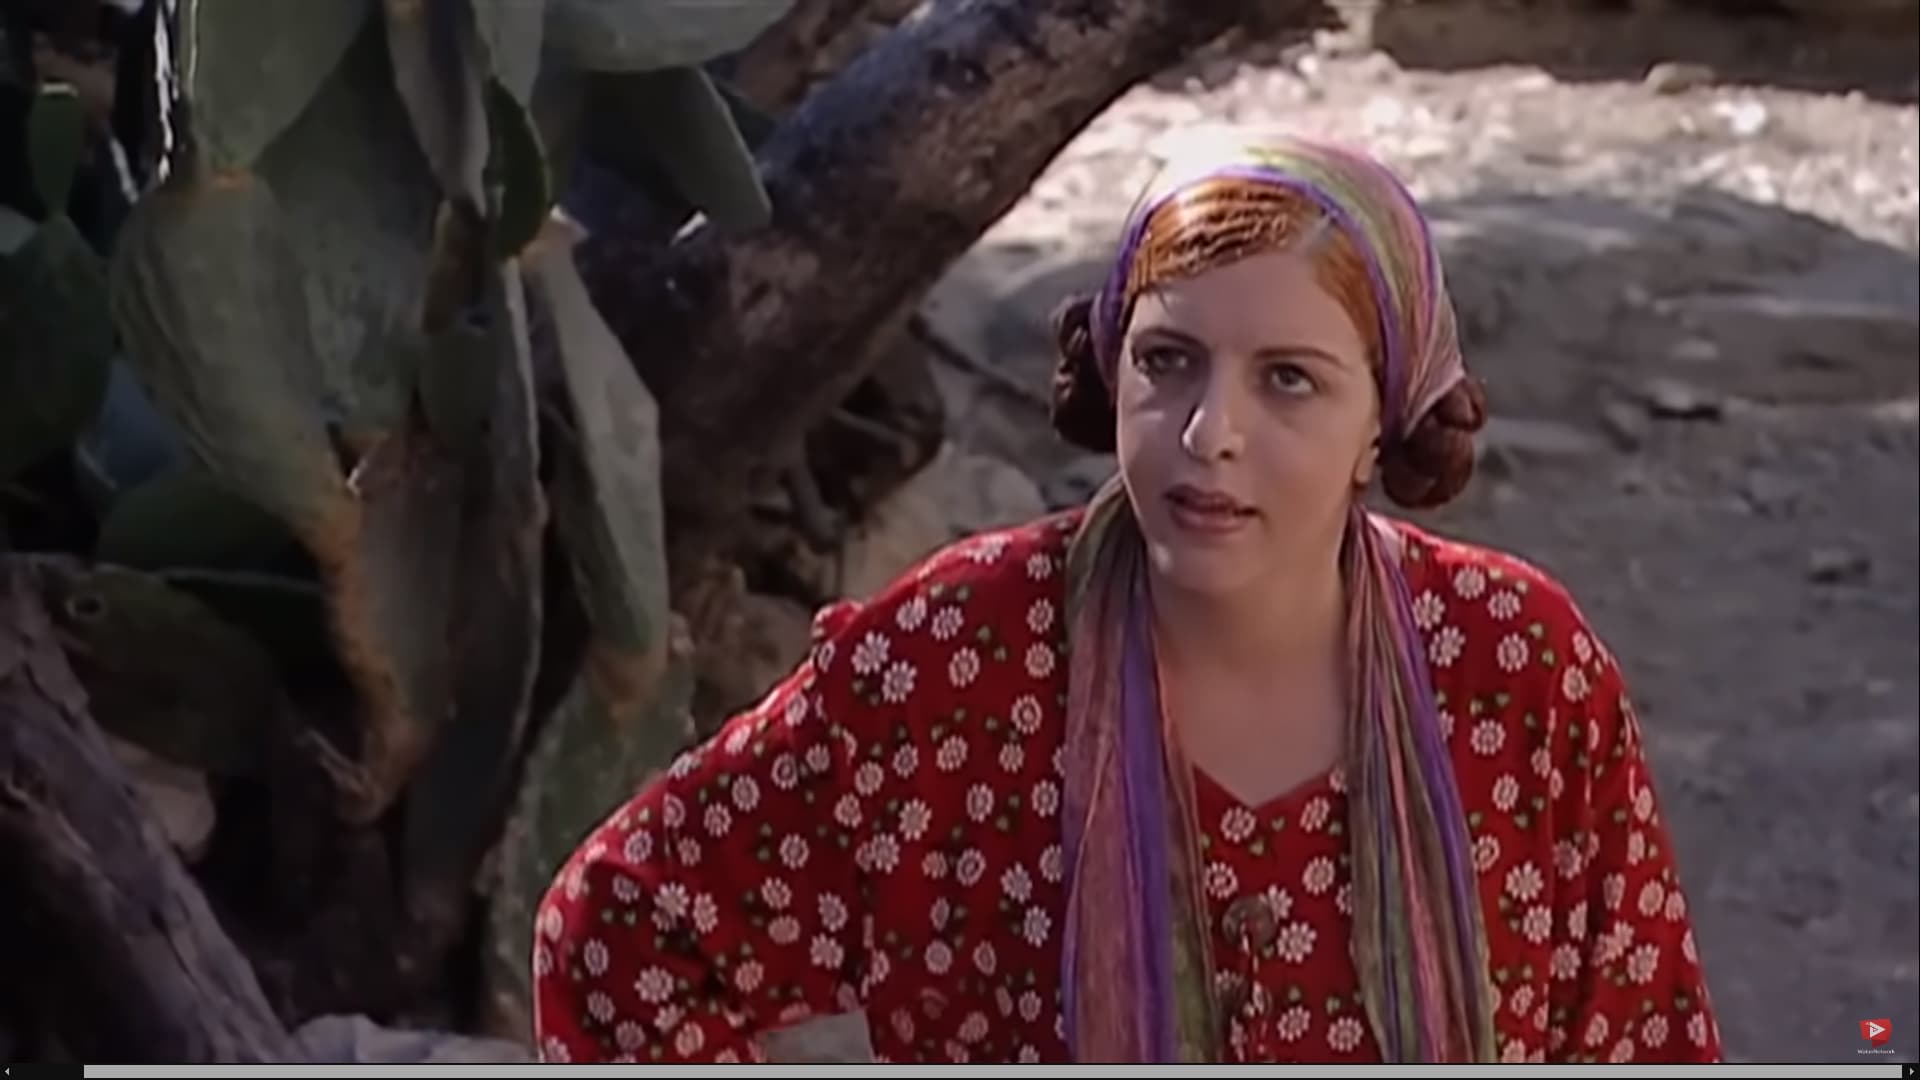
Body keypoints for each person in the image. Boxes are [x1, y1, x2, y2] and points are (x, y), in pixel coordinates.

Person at [530, 132, 1723, 1065]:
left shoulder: (1512, 670)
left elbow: (1644, 1042)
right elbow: (626, 932)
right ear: (1110, 367)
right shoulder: (957, 666)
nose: (1211, 434)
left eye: (1290, 380)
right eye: (1167, 362)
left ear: (1383, 419)